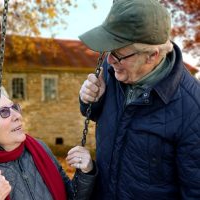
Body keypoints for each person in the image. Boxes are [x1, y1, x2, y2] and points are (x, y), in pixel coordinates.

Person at [78, 0, 200, 199]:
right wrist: (90, 100)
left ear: (152, 55)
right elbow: (97, 115)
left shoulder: (193, 109)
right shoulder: (112, 72)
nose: (109, 61)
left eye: (118, 55)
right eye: (109, 52)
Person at [0, 82, 98, 200]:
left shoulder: (39, 150)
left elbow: (70, 196)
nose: (17, 115)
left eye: (13, 107)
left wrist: (85, 173)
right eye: (3, 112)